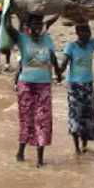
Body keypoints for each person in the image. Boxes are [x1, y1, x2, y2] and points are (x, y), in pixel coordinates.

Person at [7, 13, 60, 168]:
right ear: (28, 26)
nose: (37, 26)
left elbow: (53, 57)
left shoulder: (47, 39)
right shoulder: (22, 39)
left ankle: (40, 159)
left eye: (39, 23)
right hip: (26, 84)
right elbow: (9, 28)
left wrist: (58, 72)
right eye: (34, 24)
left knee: (43, 120)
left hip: (44, 84)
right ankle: (21, 151)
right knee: (26, 119)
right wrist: (8, 11)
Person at [59, 15, 94, 154]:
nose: (87, 34)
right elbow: (63, 65)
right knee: (75, 117)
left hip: (88, 86)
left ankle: (84, 145)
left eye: (88, 31)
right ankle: (76, 148)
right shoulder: (71, 47)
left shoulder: (91, 44)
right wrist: (56, 70)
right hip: (74, 87)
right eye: (84, 31)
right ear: (78, 32)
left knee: (87, 117)